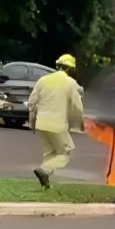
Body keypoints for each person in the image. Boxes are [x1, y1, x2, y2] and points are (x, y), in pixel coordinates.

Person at [28, 53, 84, 189]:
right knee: (65, 152)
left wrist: (32, 122)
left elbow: (32, 102)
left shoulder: (43, 80)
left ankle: (45, 185)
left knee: (50, 154)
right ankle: (45, 171)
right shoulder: (70, 83)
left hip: (42, 123)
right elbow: (77, 106)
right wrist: (79, 124)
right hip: (57, 124)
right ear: (70, 69)